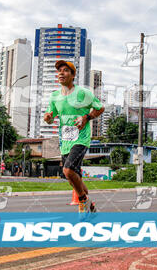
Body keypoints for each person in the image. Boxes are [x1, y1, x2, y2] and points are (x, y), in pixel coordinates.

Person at [44, 60, 105, 220]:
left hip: (81, 138)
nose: (61, 73)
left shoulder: (83, 93)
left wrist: (87, 117)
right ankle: (91, 206)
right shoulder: (55, 96)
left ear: (72, 75)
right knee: (72, 179)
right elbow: (50, 117)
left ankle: (83, 202)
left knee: (68, 170)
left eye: (65, 70)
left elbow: (100, 108)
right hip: (65, 140)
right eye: (59, 71)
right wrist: (48, 117)